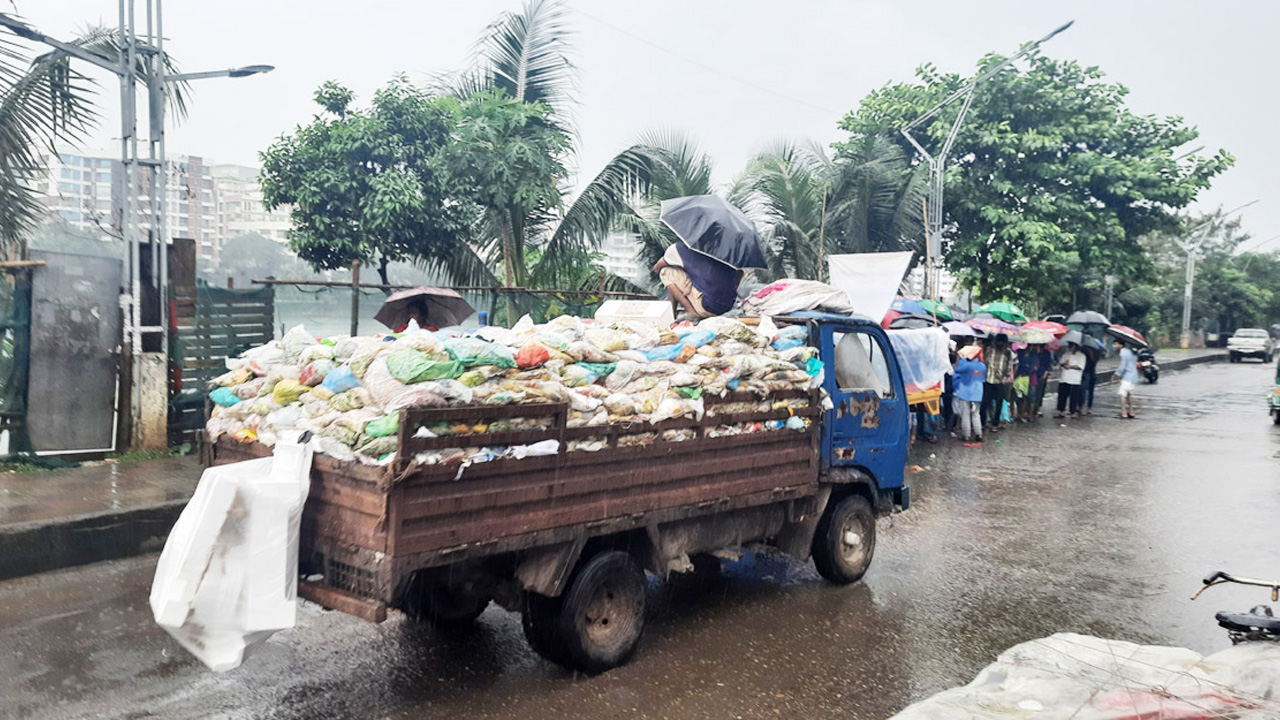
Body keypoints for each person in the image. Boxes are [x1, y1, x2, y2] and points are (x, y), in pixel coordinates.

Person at [653, 243, 743, 319]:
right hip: (727, 305)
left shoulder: (680, 248)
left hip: (706, 308)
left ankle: (691, 312)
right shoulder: (727, 252)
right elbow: (740, 273)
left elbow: (657, 267)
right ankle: (673, 313)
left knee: (666, 271)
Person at [953, 344, 986, 444]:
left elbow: (955, 369)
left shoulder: (966, 365)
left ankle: (966, 435)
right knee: (976, 414)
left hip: (965, 392)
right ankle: (978, 433)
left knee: (965, 414)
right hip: (977, 393)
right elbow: (983, 378)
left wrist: (958, 359)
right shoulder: (982, 366)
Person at [981, 334, 1014, 430]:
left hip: (1000, 381)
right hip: (988, 380)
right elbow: (984, 363)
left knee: (998, 404)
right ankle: (983, 423)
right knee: (984, 403)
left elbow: (1009, 367)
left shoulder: (1008, 353)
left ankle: (995, 424)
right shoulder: (990, 350)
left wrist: (1004, 377)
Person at [1054, 341, 1088, 419]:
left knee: (1074, 397)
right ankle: (1061, 411)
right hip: (1064, 378)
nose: (1070, 347)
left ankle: (1073, 411)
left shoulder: (1081, 356)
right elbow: (1061, 363)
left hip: (1075, 379)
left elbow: (1080, 366)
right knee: (1062, 396)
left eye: (1071, 345)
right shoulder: (1066, 354)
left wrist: (1070, 366)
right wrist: (1064, 364)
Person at [1113, 339, 1139, 419]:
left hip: (1128, 376)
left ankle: (1124, 412)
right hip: (1133, 376)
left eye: (1116, 344)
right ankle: (1131, 411)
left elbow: (1123, 365)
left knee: (1123, 395)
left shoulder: (1123, 352)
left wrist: (1116, 374)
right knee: (1128, 395)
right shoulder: (1128, 351)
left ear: (1121, 345)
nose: (1115, 346)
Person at [1081, 340, 1101, 415]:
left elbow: (1095, 360)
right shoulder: (1082, 349)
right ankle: (1081, 406)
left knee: (1089, 391)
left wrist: (1090, 353)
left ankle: (1088, 407)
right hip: (1085, 371)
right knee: (1082, 390)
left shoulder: (1096, 350)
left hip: (1090, 372)